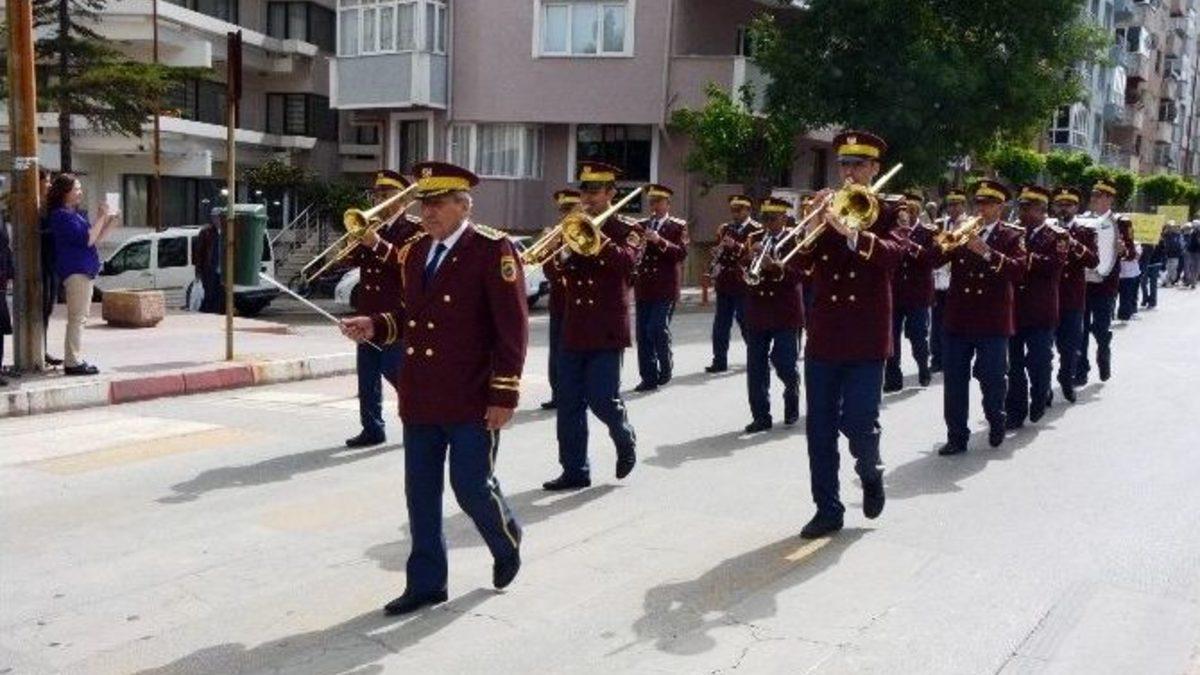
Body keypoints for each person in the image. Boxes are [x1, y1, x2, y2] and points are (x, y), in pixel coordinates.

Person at [339, 161, 527, 616]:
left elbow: (512, 329)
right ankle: (426, 583)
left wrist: (504, 395)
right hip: (421, 393)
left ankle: (505, 540)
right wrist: (375, 324)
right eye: (424, 204)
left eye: (438, 203)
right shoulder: (416, 251)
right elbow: (413, 316)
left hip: (471, 396)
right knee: (420, 494)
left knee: (471, 487)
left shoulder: (492, 249)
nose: (428, 212)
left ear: (464, 205)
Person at [791, 130, 906, 539]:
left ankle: (870, 471)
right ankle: (827, 509)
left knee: (859, 421)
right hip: (825, 333)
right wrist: (812, 224)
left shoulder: (891, 211)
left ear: (875, 168)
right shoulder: (826, 207)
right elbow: (797, 266)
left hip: (866, 335)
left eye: (858, 164)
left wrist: (852, 234)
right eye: (844, 164)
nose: (850, 172)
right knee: (819, 430)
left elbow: (895, 256)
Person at [543, 161, 639, 491]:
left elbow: (628, 265)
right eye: (584, 192)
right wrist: (558, 252)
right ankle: (575, 469)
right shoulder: (571, 227)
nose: (587, 198)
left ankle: (623, 434)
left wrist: (598, 239)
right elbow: (555, 275)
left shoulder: (626, 229)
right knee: (568, 403)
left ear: (611, 193)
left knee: (601, 398)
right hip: (574, 326)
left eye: (595, 192)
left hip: (606, 328)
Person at [934, 179, 1028, 455]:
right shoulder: (962, 232)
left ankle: (996, 418)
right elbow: (933, 261)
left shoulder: (1012, 236)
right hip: (958, 318)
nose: (982, 209)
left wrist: (987, 252)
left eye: (988, 204)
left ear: (1001, 207)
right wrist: (944, 243)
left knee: (992, 378)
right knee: (954, 382)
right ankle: (956, 436)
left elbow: (1019, 271)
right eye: (979, 203)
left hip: (992, 320)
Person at [345, 170, 423, 448]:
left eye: (386, 195)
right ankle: (372, 428)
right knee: (367, 378)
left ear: (402, 199)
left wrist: (376, 244)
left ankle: (418, 423)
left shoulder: (414, 229)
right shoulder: (372, 226)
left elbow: (407, 264)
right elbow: (352, 261)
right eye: (377, 195)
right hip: (368, 312)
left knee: (397, 373)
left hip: (393, 316)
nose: (380, 200)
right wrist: (354, 241)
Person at [1004, 185, 1067, 429]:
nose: (1022, 213)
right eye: (1021, 208)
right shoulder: (1014, 233)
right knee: (1014, 364)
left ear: (1042, 210)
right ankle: (1016, 411)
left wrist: (1025, 257)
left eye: (1027, 209)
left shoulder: (1057, 235)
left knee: (1039, 361)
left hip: (1041, 310)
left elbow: (1054, 265)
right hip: (1015, 309)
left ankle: (1040, 395)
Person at [741, 196, 803, 433]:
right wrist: (748, 259)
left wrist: (775, 267)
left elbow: (801, 274)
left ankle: (792, 389)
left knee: (784, 361)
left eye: (773, 218)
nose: (767, 224)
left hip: (785, 310)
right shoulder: (754, 238)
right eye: (764, 218)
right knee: (756, 366)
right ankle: (761, 416)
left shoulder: (795, 239)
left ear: (784, 218)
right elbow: (740, 272)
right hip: (758, 310)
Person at [47, 173, 119, 376]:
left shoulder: (75, 214)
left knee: (80, 317)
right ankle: (72, 361)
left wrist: (110, 221)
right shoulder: (61, 216)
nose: (80, 192)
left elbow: (95, 239)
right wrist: (101, 217)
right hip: (75, 271)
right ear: (65, 192)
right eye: (76, 189)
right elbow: (87, 239)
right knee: (77, 317)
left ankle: (74, 358)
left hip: (84, 270)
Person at [633, 184, 689, 392]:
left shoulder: (678, 227)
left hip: (665, 287)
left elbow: (681, 254)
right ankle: (648, 377)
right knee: (642, 333)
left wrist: (659, 241)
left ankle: (665, 363)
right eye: (651, 202)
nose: (654, 206)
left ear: (667, 203)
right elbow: (633, 252)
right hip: (644, 286)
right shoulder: (641, 225)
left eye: (658, 201)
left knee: (656, 328)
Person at [885, 190, 937, 391]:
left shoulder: (928, 232)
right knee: (892, 337)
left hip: (918, 294)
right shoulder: (892, 232)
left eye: (913, 211)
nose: (908, 216)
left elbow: (933, 259)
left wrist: (912, 246)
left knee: (917, 336)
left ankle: (923, 367)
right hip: (895, 291)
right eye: (905, 212)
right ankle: (893, 377)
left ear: (918, 212)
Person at [1052, 186, 1098, 405]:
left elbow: (1093, 261)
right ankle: (1043, 386)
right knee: (1043, 347)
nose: (1064, 209)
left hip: (1072, 297)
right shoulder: (1047, 230)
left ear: (1076, 208)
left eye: (1069, 205)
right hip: (1048, 296)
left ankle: (1066, 377)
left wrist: (1073, 243)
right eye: (1060, 205)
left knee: (1070, 345)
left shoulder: (1085, 232)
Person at [705, 195, 760, 373]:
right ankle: (719, 360)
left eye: (738, 210)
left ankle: (756, 357)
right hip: (725, 282)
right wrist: (716, 252)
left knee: (745, 321)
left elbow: (753, 256)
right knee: (720, 325)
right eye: (732, 210)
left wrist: (735, 245)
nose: (734, 214)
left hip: (744, 282)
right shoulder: (725, 228)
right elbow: (720, 252)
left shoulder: (756, 230)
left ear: (748, 210)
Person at [539, 189, 581, 410]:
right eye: (562, 210)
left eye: (569, 209)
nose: (564, 215)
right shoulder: (557, 235)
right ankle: (558, 393)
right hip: (559, 302)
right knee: (556, 351)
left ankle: (575, 392)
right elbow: (551, 274)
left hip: (581, 304)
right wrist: (549, 251)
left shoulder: (586, 234)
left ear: (579, 209)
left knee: (574, 351)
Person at [1076, 181, 1121, 385]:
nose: (1094, 199)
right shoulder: (1083, 221)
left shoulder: (1119, 222)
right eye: (1093, 195)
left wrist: (1124, 250)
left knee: (1100, 329)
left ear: (1110, 199)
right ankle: (1081, 370)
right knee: (1081, 330)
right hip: (1083, 284)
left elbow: (1131, 251)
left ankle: (1104, 353)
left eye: (1099, 195)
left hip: (1105, 285)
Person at [930, 189, 967, 373]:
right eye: (950, 205)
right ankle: (937, 358)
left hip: (958, 281)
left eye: (956, 205)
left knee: (957, 321)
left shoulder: (968, 224)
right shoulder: (939, 224)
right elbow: (934, 247)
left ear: (963, 206)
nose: (953, 209)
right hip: (940, 279)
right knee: (937, 322)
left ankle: (955, 356)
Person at [37, 170, 63, 366]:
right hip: (39, 264)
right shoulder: (32, 206)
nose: (49, 185)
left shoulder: (49, 205)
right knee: (40, 309)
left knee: (47, 309)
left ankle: (42, 350)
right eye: (45, 181)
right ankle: (37, 351)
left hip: (52, 264)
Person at [1116, 233, 1141, 321]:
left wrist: (1130, 248)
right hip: (1118, 274)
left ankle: (1126, 314)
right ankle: (1112, 314)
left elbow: (1137, 257)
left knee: (1128, 296)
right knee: (1115, 296)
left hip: (1131, 274)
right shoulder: (1115, 242)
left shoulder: (1136, 244)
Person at [1140, 236, 1163, 309]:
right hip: (1145, 262)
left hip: (1156, 262)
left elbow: (1163, 250)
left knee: (1153, 283)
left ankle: (1152, 301)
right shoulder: (1143, 237)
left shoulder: (1159, 238)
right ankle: (1145, 298)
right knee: (1143, 282)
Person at [1184, 221, 1200, 289]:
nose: (1193, 225)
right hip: (1191, 251)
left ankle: (1193, 281)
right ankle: (1191, 281)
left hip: (1197, 252)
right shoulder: (1192, 232)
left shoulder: (1198, 232)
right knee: (1191, 267)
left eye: (1194, 224)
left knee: (1196, 267)